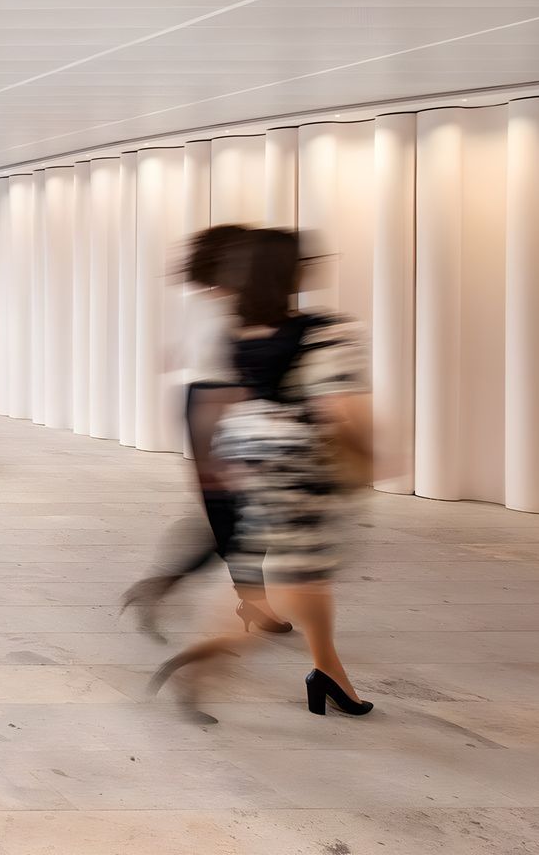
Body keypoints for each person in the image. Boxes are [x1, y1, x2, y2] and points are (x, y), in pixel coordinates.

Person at [149, 228, 375, 722]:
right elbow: (343, 413)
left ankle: (328, 672)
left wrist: (215, 465)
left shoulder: (239, 330)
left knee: (304, 574)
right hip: (307, 469)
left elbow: (214, 403)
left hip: (254, 458)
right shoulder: (323, 330)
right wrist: (367, 457)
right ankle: (208, 655)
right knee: (303, 575)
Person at [121, 225, 291, 640]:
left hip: (202, 402)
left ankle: (252, 600)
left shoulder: (196, 299)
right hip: (224, 407)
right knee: (235, 518)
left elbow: (177, 354)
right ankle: (166, 584)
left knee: (230, 514)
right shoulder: (234, 304)